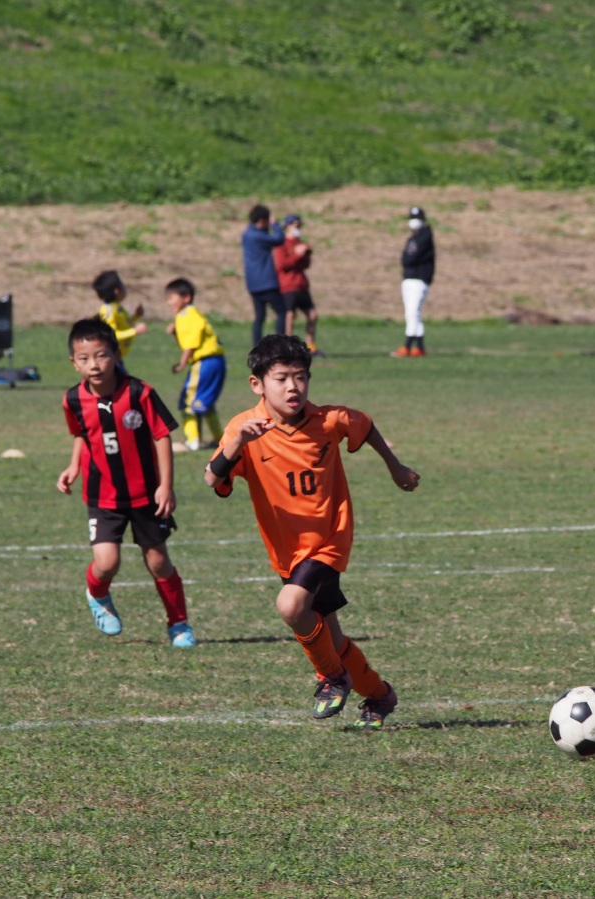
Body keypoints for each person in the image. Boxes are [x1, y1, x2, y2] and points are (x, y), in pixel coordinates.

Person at [204, 335, 420, 727]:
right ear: (257, 384)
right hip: (287, 551)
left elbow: (363, 424)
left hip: (328, 538)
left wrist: (396, 467)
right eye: (282, 378)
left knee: (291, 606)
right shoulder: (244, 428)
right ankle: (380, 695)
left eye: (300, 377)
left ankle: (332, 677)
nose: (293, 387)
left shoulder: (327, 420)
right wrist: (237, 443)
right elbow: (212, 479)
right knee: (331, 638)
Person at [56, 318, 197, 648]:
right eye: (85, 358)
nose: (94, 365)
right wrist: (74, 466)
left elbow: (162, 435)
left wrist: (166, 485)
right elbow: (82, 433)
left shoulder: (139, 392)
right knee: (106, 563)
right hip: (102, 495)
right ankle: (97, 594)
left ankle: (179, 624)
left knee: (158, 561)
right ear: (74, 362)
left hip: (146, 493)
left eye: (102, 355)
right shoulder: (72, 400)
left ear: (116, 355)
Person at [164, 277, 226, 452]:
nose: (169, 302)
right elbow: (187, 343)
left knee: (188, 401)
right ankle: (219, 439)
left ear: (186, 297)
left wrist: (181, 364)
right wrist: (175, 334)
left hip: (205, 362)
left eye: (172, 298)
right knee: (205, 402)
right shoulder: (190, 314)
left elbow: (191, 344)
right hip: (214, 361)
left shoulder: (187, 314)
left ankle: (192, 441)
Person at [274, 214, 320, 355]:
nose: (299, 228)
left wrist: (306, 255)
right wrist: (297, 255)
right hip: (288, 285)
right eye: (296, 225)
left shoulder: (299, 242)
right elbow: (282, 265)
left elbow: (305, 265)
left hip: (301, 285)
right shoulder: (281, 244)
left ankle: (311, 347)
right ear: (287, 227)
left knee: (312, 315)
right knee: (290, 316)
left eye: (300, 225)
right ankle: (288, 348)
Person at [392, 206, 435, 358]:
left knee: (412, 313)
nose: (414, 221)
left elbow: (410, 257)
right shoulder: (414, 237)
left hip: (418, 279)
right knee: (415, 314)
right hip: (409, 278)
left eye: (417, 218)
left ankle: (407, 346)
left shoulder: (424, 236)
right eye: (412, 218)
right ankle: (420, 347)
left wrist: (407, 260)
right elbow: (406, 258)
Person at [242, 205, 286, 346]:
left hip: (253, 284)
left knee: (259, 317)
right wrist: (275, 225)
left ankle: (256, 347)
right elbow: (279, 239)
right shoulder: (259, 236)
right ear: (262, 220)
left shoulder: (247, 234)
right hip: (267, 283)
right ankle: (280, 344)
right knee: (282, 312)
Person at [92, 270, 147, 360]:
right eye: (122, 285)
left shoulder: (116, 307)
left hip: (116, 357)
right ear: (117, 291)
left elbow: (124, 325)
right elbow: (111, 336)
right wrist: (135, 331)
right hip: (111, 359)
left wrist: (136, 316)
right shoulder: (109, 311)